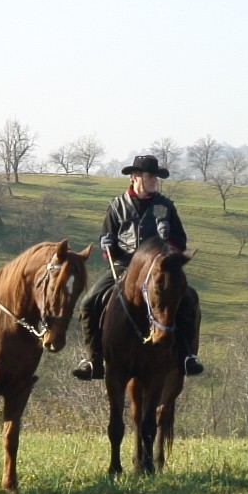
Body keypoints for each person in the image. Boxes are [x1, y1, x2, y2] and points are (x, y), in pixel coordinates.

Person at [72, 154, 203, 381]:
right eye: (150, 176)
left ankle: (187, 356)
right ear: (135, 178)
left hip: (159, 269)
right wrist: (107, 244)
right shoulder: (116, 206)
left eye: (156, 177)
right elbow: (106, 238)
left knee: (188, 301)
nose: (154, 181)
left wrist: (167, 241)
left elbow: (181, 242)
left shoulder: (165, 206)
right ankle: (93, 360)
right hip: (124, 267)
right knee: (88, 303)